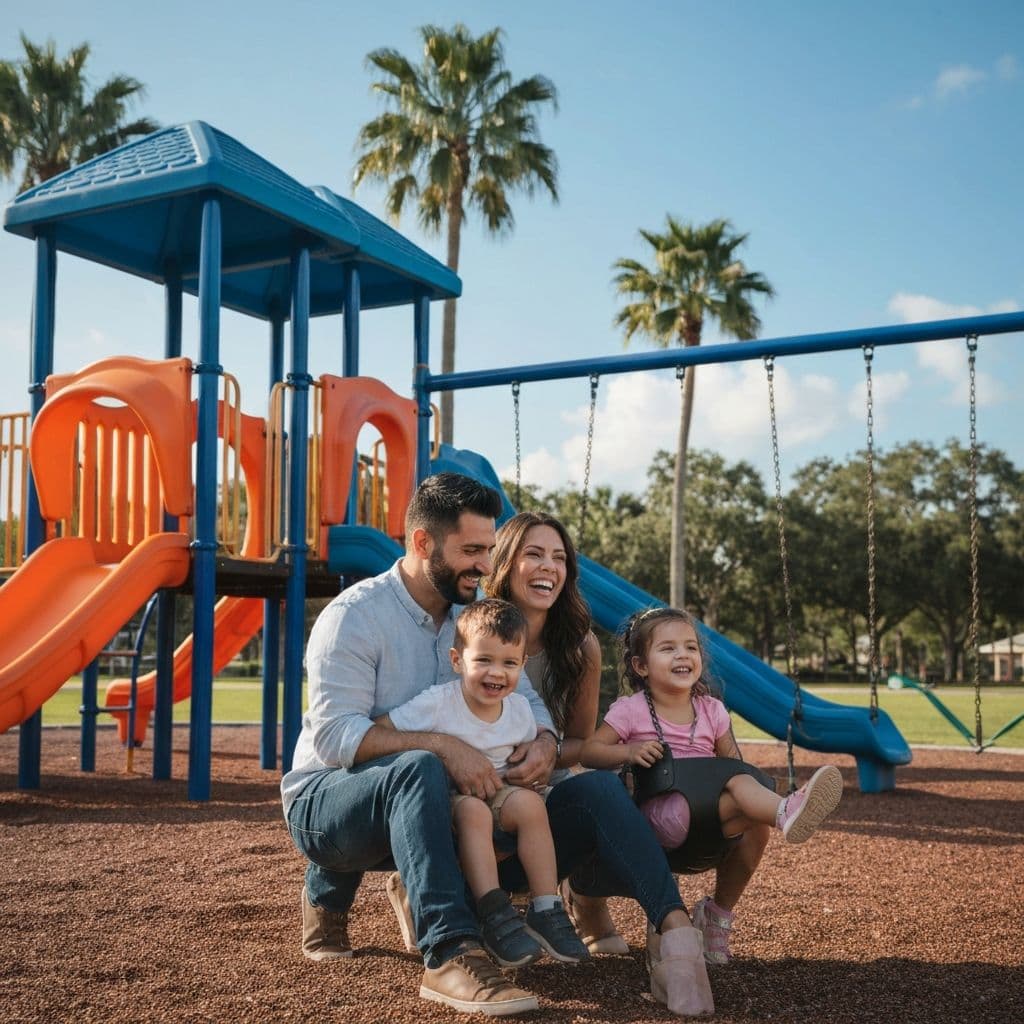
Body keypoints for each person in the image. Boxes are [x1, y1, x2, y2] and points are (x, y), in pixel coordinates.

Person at [283, 473, 713, 1018]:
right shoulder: (354, 616)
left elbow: (529, 703)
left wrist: (544, 741)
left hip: (451, 806)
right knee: (420, 765)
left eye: (488, 549)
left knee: (596, 789)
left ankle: (673, 929)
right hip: (330, 805)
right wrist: (443, 746)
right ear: (422, 543)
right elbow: (334, 737)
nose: (487, 566)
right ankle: (448, 955)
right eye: (472, 551)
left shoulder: (474, 617)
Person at [581, 607, 844, 961]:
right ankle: (783, 810)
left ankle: (717, 919)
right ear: (641, 666)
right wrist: (628, 751)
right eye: (668, 648)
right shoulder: (632, 710)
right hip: (658, 820)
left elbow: (735, 765)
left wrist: (742, 780)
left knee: (753, 822)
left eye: (690, 647)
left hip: (706, 825)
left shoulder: (712, 711)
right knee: (741, 788)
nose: (683, 655)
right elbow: (589, 752)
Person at [376, 598, 589, 967]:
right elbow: (382, 731)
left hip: (500, 794)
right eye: (484, 660)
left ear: (523, 665)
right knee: (474, 811)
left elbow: (534, 754)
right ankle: (493, 910)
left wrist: (532, 773)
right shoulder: (438, 702)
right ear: (457, 660)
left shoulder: (521, 711)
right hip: (448, 796)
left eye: (509, 663)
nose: (497, 672)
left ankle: (544, 906)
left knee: (530, 805)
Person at [482, 510, 628, 955]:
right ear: (506, 563)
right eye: (535, 554)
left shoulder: (580, 646)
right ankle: (446, 894)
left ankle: (586, 902)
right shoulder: (475, 631)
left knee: (601, 794)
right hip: (483, 775)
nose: (550, 566)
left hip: (548, 777)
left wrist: (544, 756)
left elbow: (580, 743)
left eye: (559, 557)